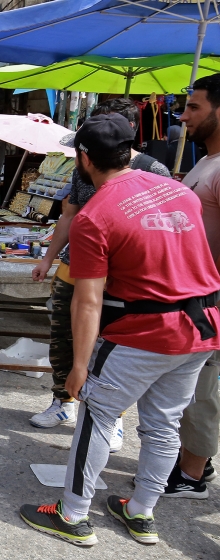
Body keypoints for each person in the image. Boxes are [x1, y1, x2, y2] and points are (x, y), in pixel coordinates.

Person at [20, 113, 220, 548]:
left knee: (97, 414)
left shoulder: (96, 215)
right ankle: (141, 512)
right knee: (164, 424)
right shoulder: (179, 191)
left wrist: (77, 368)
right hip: (202, 328)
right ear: (130, 150)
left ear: (84, 159)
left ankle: (73, 514)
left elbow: (87, 300)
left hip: (145, 329)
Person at [29, 98, 172, 451]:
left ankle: (113, 417)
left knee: (111, 346)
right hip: (75, 266)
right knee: (63, 336)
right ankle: (63, 402)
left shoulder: (154, 172)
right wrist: (48, 258)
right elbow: (69, 215)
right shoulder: (83, 167)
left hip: (121, 278)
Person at [165, 73, 220, 498]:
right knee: (190, 388)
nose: (184, 117)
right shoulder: (206, 161)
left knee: (204, 390)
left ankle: (191, 475)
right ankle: (191, 460)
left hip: (213, 300)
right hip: (196, 297)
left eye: (195, 107)